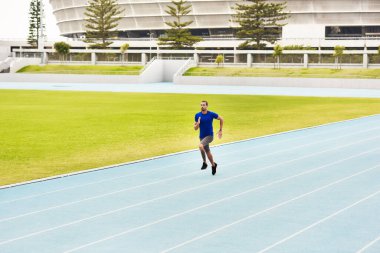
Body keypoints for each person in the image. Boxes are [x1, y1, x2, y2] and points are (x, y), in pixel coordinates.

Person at [194, 100, 224, 175]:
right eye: (201, 105)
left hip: (210, 136)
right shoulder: (197, 115)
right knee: (207, 151)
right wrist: (198, 123)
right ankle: (213, 165)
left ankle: (204, 163)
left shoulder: (211, 114)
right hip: (201, 136)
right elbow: (195, 128)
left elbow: (221, 119)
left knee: (201, 146)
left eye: (204, 105)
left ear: (207, 106)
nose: (202, 106)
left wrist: (220, 130)